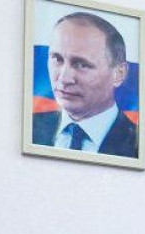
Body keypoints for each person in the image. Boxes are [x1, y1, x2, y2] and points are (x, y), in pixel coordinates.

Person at [32, 12, 138, 157]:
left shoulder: (140, 146)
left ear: (119, 74)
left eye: (81, 64)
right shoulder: (30, 127)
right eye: (57, 59)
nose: (64, 78)